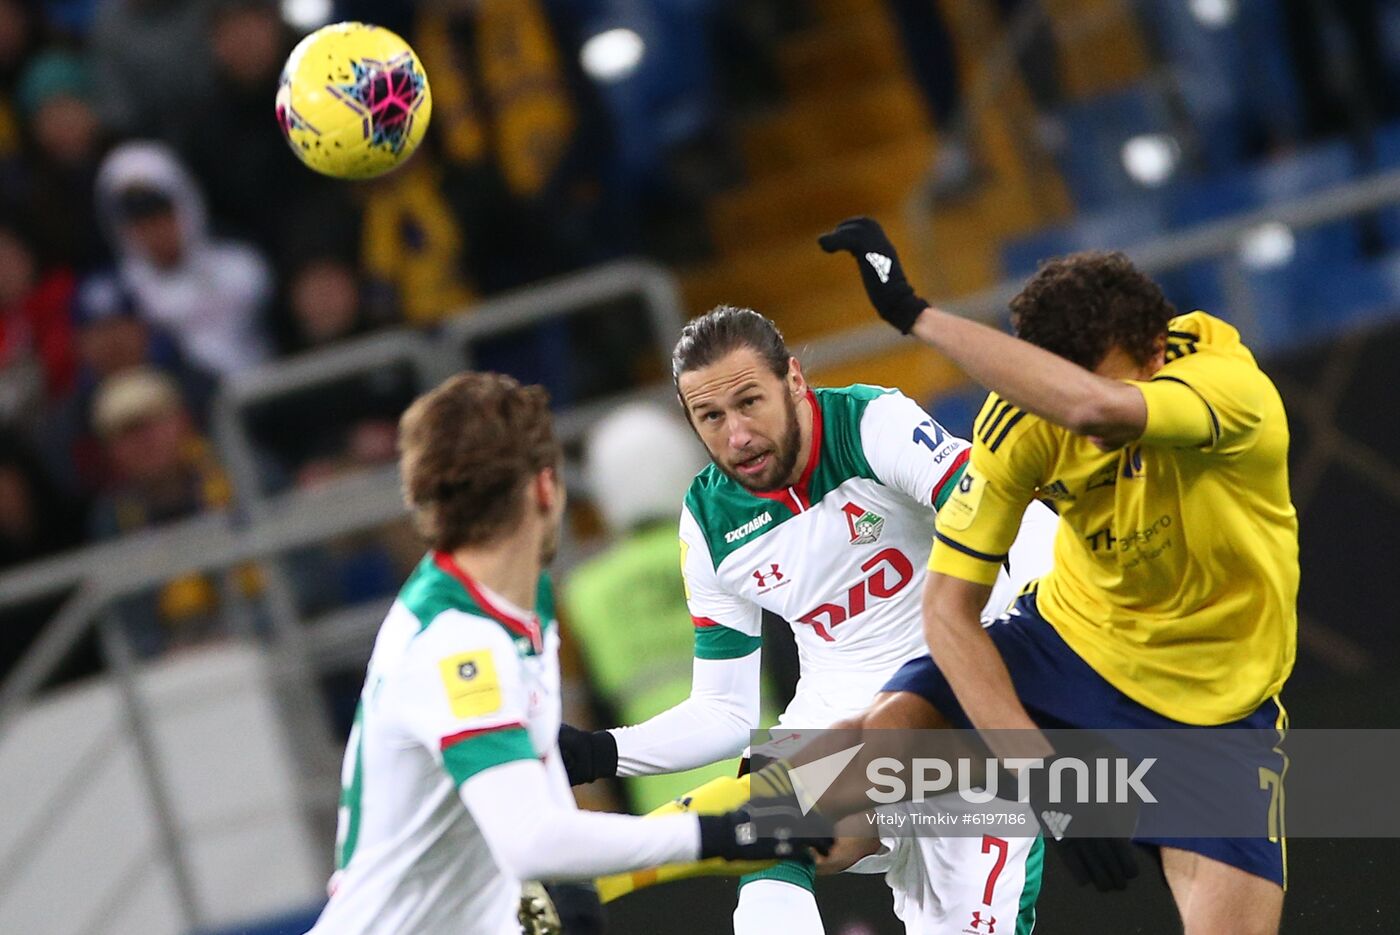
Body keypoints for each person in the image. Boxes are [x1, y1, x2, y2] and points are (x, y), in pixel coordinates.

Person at [809, 218, 1296, 933]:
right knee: (869, 757)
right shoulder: (1022, 418)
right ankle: (645, 851)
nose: (1074, 433)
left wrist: (915, 316)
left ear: (1154, 352)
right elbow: (947, 610)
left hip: (1215, 711)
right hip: (1074, 647)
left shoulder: (1226, 386)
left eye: (1085, 381)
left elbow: (1093, 405)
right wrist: (1041, 777)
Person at [559, 306, 1059, 933]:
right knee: (768, 831)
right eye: (711, 417)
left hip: (962, 705)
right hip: (837, 717)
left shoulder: (870, 424)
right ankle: (570, 890)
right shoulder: (711, 523)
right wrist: (604, 751)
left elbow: (1009, 515)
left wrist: (1038, 634)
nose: (736, 435)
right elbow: (725, 713)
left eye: (749, 403)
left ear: (794, 381)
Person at [306, 371, 830, 935]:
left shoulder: (518, 598)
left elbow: (537, 785)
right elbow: (532, 840)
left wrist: (575, 888)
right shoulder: (459, 644)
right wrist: (722, 834)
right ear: (544, 488)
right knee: (881, 785)